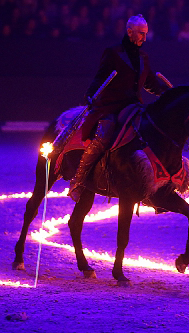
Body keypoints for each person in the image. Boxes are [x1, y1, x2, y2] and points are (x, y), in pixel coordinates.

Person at [69, 14, 168, 201]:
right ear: (129, 32)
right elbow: (100, 77)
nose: (144, 38)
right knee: (103, 136)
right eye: (141, 34)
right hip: (112, 105)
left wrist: (165, 92)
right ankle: (79, 179)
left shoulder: (143, 57)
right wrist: (90, 94)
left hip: (134, 106)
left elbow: (150, 83)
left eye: (146, 34)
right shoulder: (113, 53)